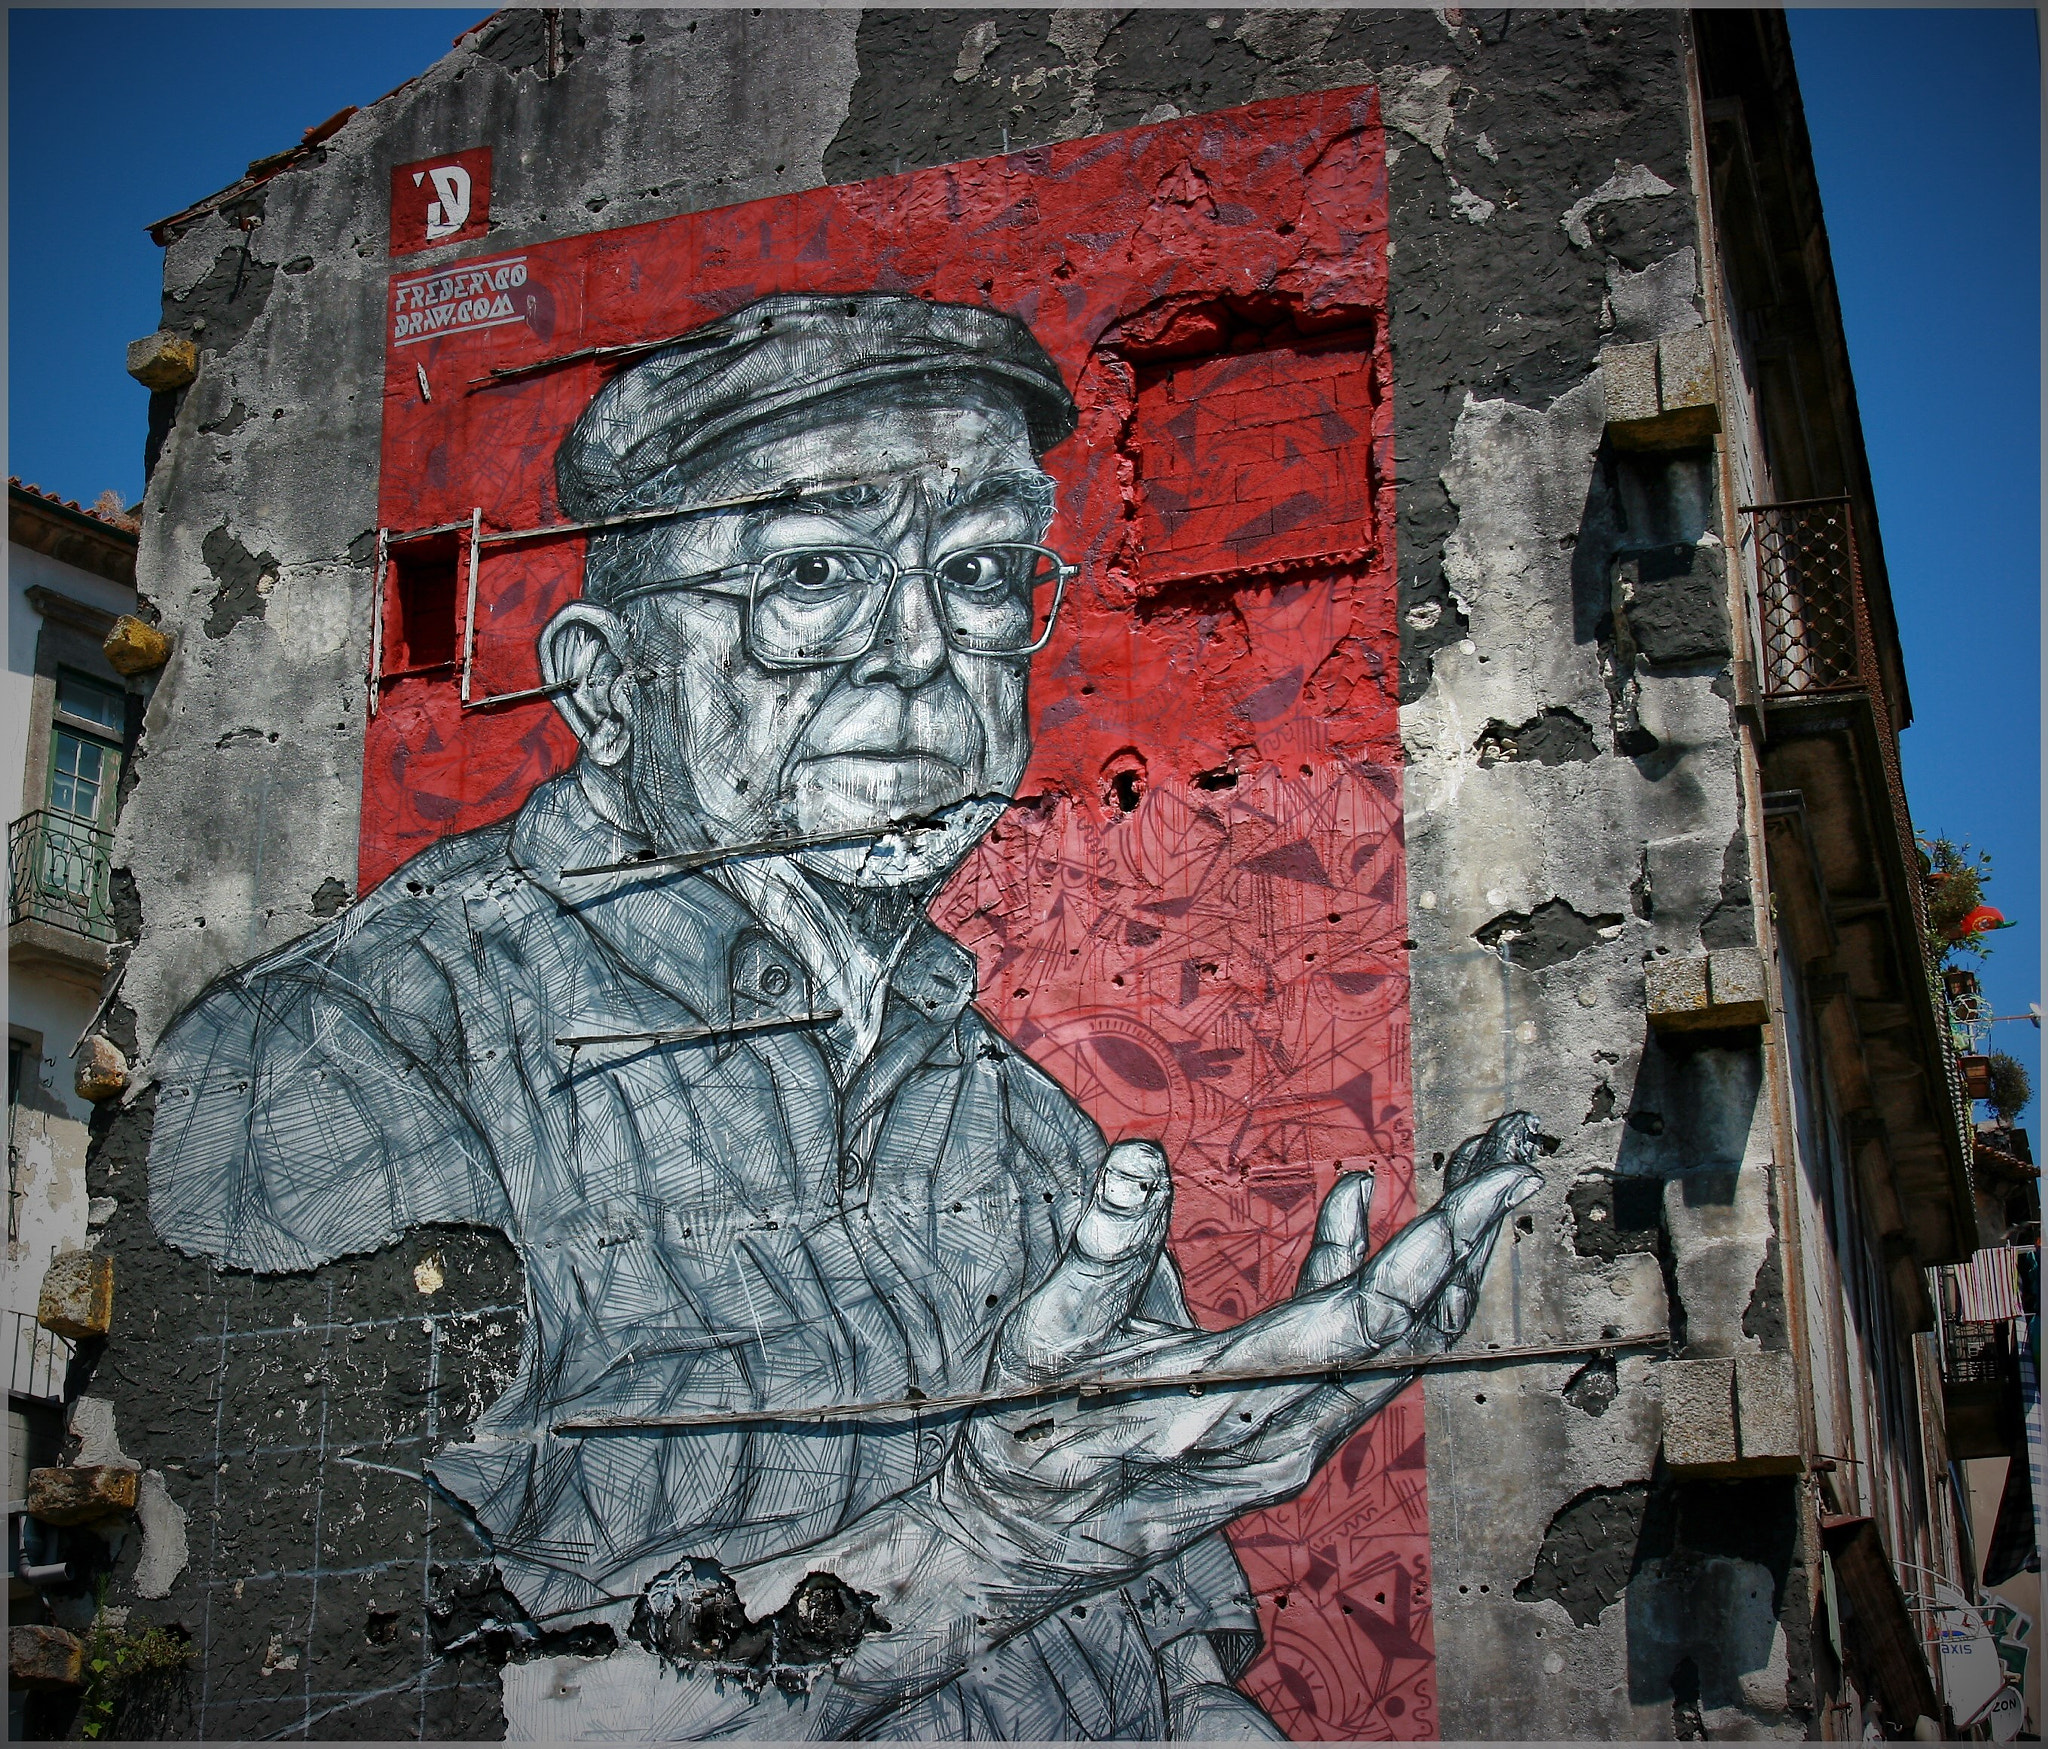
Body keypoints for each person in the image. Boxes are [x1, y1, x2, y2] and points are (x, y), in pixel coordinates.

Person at [148, 292, 1542, 1739]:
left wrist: (1199, 1697)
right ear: (607, 685)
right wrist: (986, 1539)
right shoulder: (344, 1054)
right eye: (809, 572)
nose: (921, 654)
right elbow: (365, 1700)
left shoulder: (1034, 1130)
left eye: (985, 569)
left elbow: (1174, 1634)